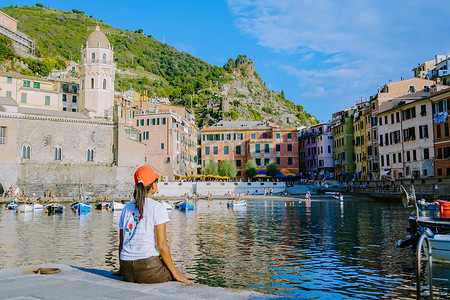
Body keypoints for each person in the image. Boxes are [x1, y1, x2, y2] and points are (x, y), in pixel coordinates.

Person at [112, 166, 191, 284]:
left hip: (127, 269)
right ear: (153, 186)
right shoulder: (158, 208)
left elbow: (121, 243)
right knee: (175, 273)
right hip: (148, 270)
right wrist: (174, 273)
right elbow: (162, 246)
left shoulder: (126, 209)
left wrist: (121, 269)